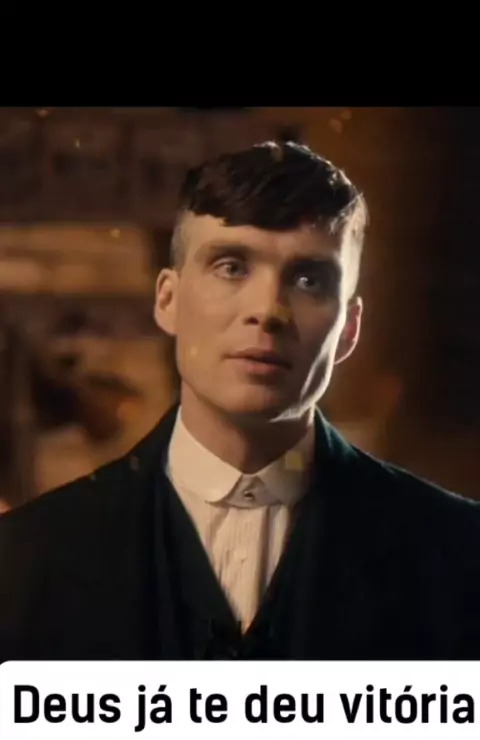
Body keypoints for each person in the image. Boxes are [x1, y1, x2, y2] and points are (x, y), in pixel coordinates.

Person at [1, 140, 479, 662]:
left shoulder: (458, 554)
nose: (267, 310)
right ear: (168, 300)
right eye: (231, 267)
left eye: (309, 279)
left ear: (349, 329)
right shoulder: (26, 558)